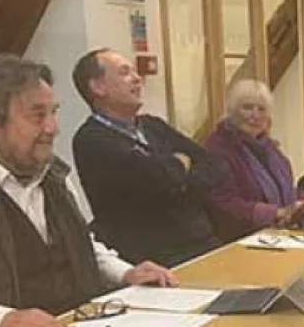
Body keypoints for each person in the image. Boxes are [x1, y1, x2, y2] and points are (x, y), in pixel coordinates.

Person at [0, 54, 175, 327]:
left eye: (54, 113)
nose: (53, 128)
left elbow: (83, 242)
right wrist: (3, 320)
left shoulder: (55, 178)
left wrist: (126, 272)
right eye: (38, 116)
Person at [72, 48, 222, 267]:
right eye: (125, 73)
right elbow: (160, 180)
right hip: (152, 259)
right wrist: (181, 164)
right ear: (98, 87)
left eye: (134, 71)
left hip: (202, 242)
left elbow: (214, 166)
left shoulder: (153, 125)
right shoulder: (92, 140)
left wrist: (180, 182)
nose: (137, 79)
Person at [204, 79, 304, 242]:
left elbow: (283, 193)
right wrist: (275, 213)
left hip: (278, 236)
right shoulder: (218, 149)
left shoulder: (271, 150)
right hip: (239, 242)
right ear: (232, 110)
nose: (255, 115)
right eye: (247, 107)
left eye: (261, 109)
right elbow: (223, 205)